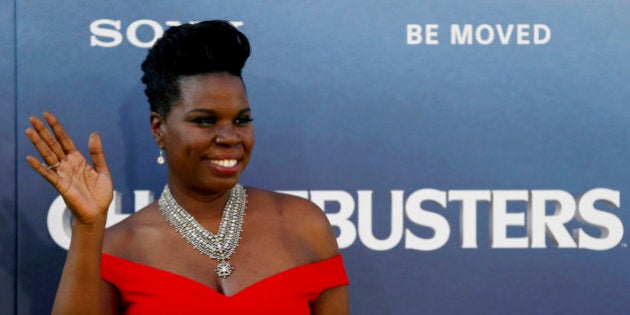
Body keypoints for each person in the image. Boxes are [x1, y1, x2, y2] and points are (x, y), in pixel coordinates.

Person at [26, 20, 349, 314]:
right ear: (159, 129)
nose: (229, 137)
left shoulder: (304, 224)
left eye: (241, 120)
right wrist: (87, 227)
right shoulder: (117, 248)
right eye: (205, 120)